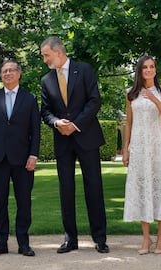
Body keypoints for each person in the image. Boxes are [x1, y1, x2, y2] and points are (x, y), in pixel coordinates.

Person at [40, 37, 109, 254]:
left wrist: (76, 125)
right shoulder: (46, 80)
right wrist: (57, 122)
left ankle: (100, 239)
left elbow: (94, 101)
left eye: (46, 55)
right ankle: (70, 240)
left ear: (58, 52)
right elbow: (45, 111)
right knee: (66, 190)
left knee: (94, 188)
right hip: (62, 141)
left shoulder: (85, 69)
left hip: (86, 137)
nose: (44, 59)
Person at [122, 55, 161, 255]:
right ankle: (146, 238)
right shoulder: (131, 94)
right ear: (139, 71)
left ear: (155, 70)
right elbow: (128, 123)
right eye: (145, 67)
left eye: (152, 66)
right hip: (139, 148)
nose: (149, 70)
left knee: (160, 187)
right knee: (142, 189)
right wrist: (125, 149)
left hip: (157, 147)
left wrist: (155, 99)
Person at [0, 60, 40, 257]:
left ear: (19, 74)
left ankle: (24, 243)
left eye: (11, 70)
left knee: (24, 202)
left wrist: (33, 155)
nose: (7, 73)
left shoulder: (30, 99)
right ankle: (0, 243)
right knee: (0, 202)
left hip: (23, 160)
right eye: (4, 71)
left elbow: (35, 131)